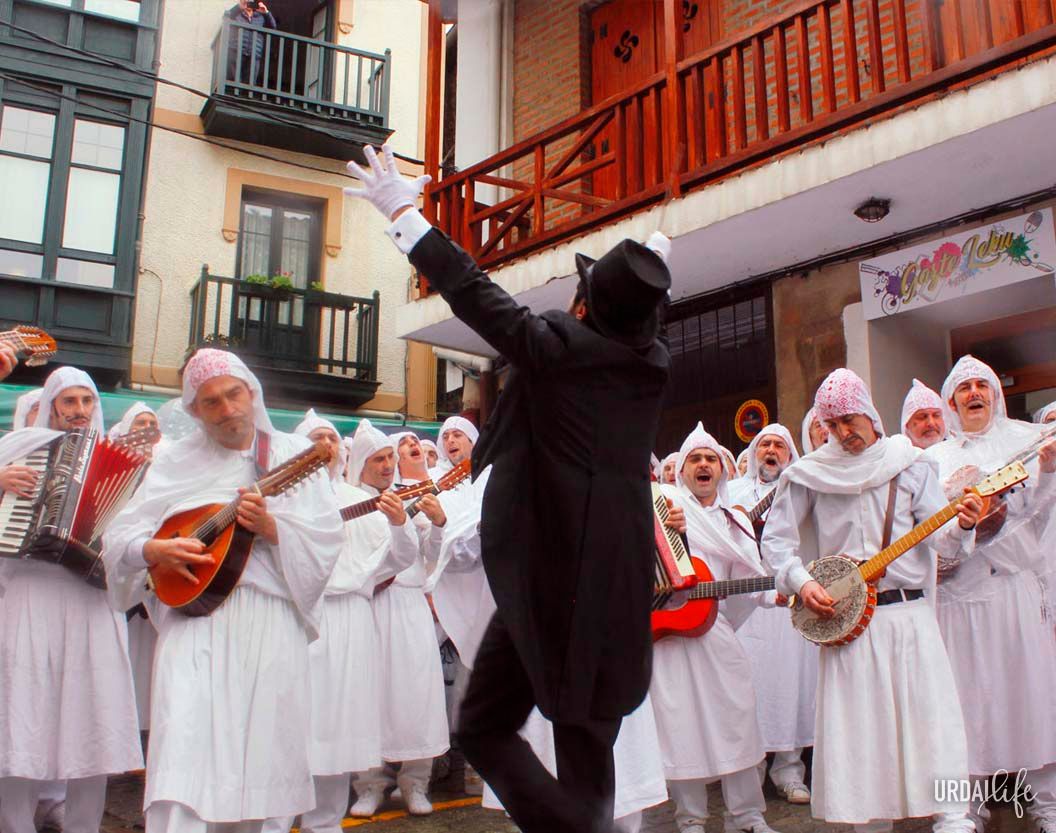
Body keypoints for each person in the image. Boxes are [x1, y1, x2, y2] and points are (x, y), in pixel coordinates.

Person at [346, 144, 671, 833]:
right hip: (617, 582)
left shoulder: (561, 351)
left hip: (552, 583)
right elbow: (632, 324)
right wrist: (646, 275)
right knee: (588, 741)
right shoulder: (650, 368)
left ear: (584, 308)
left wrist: (404, 214)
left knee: (485, 725)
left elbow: (477, 294)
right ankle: (589, 822)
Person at [102, 349, 345, 833]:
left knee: (261, 762)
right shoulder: (173, 462)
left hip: (272, 624)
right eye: (211, 402)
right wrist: (152, 550)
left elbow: (326, 542)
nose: (227, 409)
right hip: (195, 627)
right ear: (194, 412)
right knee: (183, 755)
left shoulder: (293, 456)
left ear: (251, 392)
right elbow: (117, 539)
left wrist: (276, 530)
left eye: (234, 395)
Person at [761, 368, 983, 833]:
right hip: (848, 628)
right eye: (832, 424)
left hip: (909, 618)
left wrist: (962, 523)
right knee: (864, 741)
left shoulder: (910, 462)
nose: (844, 433)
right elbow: (776, 545)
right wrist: (802, 582)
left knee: (933, 728)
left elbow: (941, 543)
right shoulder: (809, 474)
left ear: (869, 412)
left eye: (849, 420)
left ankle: (954, 820)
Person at [0, 367, 142, 833]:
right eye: (70, 402)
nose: (80, 412)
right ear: (50, 405)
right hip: (29, 593)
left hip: (91, 598)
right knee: (20, 715)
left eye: (87, 402)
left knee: (93, 715)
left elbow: (137, 529)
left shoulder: (122, 459)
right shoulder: (14, 450)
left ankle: (84, 824)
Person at [264, 417, 420, 833]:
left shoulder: (359, 499)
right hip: (297, 617)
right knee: (289, 729)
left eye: (332, 438)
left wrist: (400, 524)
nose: (326, 444)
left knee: (338, 730)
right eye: (316, 439)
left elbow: (398, 559)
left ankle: (325, 824)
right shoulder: (280, 499)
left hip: (351, 619)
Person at [925, 355, 1056, 833]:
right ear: (952, 401)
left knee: (1035, 700)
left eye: (982, 384)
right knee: (960, 709)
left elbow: (1040, 519)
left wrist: (1050, 475)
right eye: (964, 388)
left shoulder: (1030, 441)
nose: (974, 392)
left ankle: (1050, 806)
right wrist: (963, 528)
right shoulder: (932, 461)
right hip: (960, 599)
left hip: (1015, 593)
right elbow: (927, 539)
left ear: (996, 395)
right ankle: (959, 810)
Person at [653, 423, 780, 833]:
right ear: (682, 470)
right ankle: (690, 819)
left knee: (738, 719)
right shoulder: (663, 506)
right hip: (669, 635)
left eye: (710, 458)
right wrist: (667, 529)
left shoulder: (735, 522)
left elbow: (755, 578)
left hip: (717, 631)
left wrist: (786, 591)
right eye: (694, 459)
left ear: (722, 470)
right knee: (679, 727)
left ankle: (746, 817)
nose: (703, 464)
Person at [348, 420, 450, 818]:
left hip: (408, 605)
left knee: (415, 694)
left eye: (390, 458)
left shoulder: (408, 497)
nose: (388, 465)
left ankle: (415, 783)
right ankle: (369, 785)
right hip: (368, 606)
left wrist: (439, 523)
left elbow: (431, 553)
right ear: (361, 464)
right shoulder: (348, 501)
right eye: (379, 459)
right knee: (368, 694)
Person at [728, 424, 815, 805]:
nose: (771, 451)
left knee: (790, 686)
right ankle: (750, 778)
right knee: (751, 691)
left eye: (779, 445)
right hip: (748, 605)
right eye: (764, 444)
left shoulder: (802, 490)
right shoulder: (732, 494)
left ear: (790, 454)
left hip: (789, 601)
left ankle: (789, 772)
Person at [226, 0, 276, 89]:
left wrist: (266, 12)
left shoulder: (260, 16)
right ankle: (232, 97)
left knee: (250, 81)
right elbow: (226, 16)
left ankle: (244, 99)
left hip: (254, 52)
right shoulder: (237, 13)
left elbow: (273, 26)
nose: (249, 2)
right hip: (236, 48)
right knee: (234, 78)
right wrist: (239, 7)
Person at [900, 379, 946, 450]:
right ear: (907, 425)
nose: (931, 423)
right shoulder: (900, 459)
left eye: (936, 415)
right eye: (922, 417)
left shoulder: (959, 456)